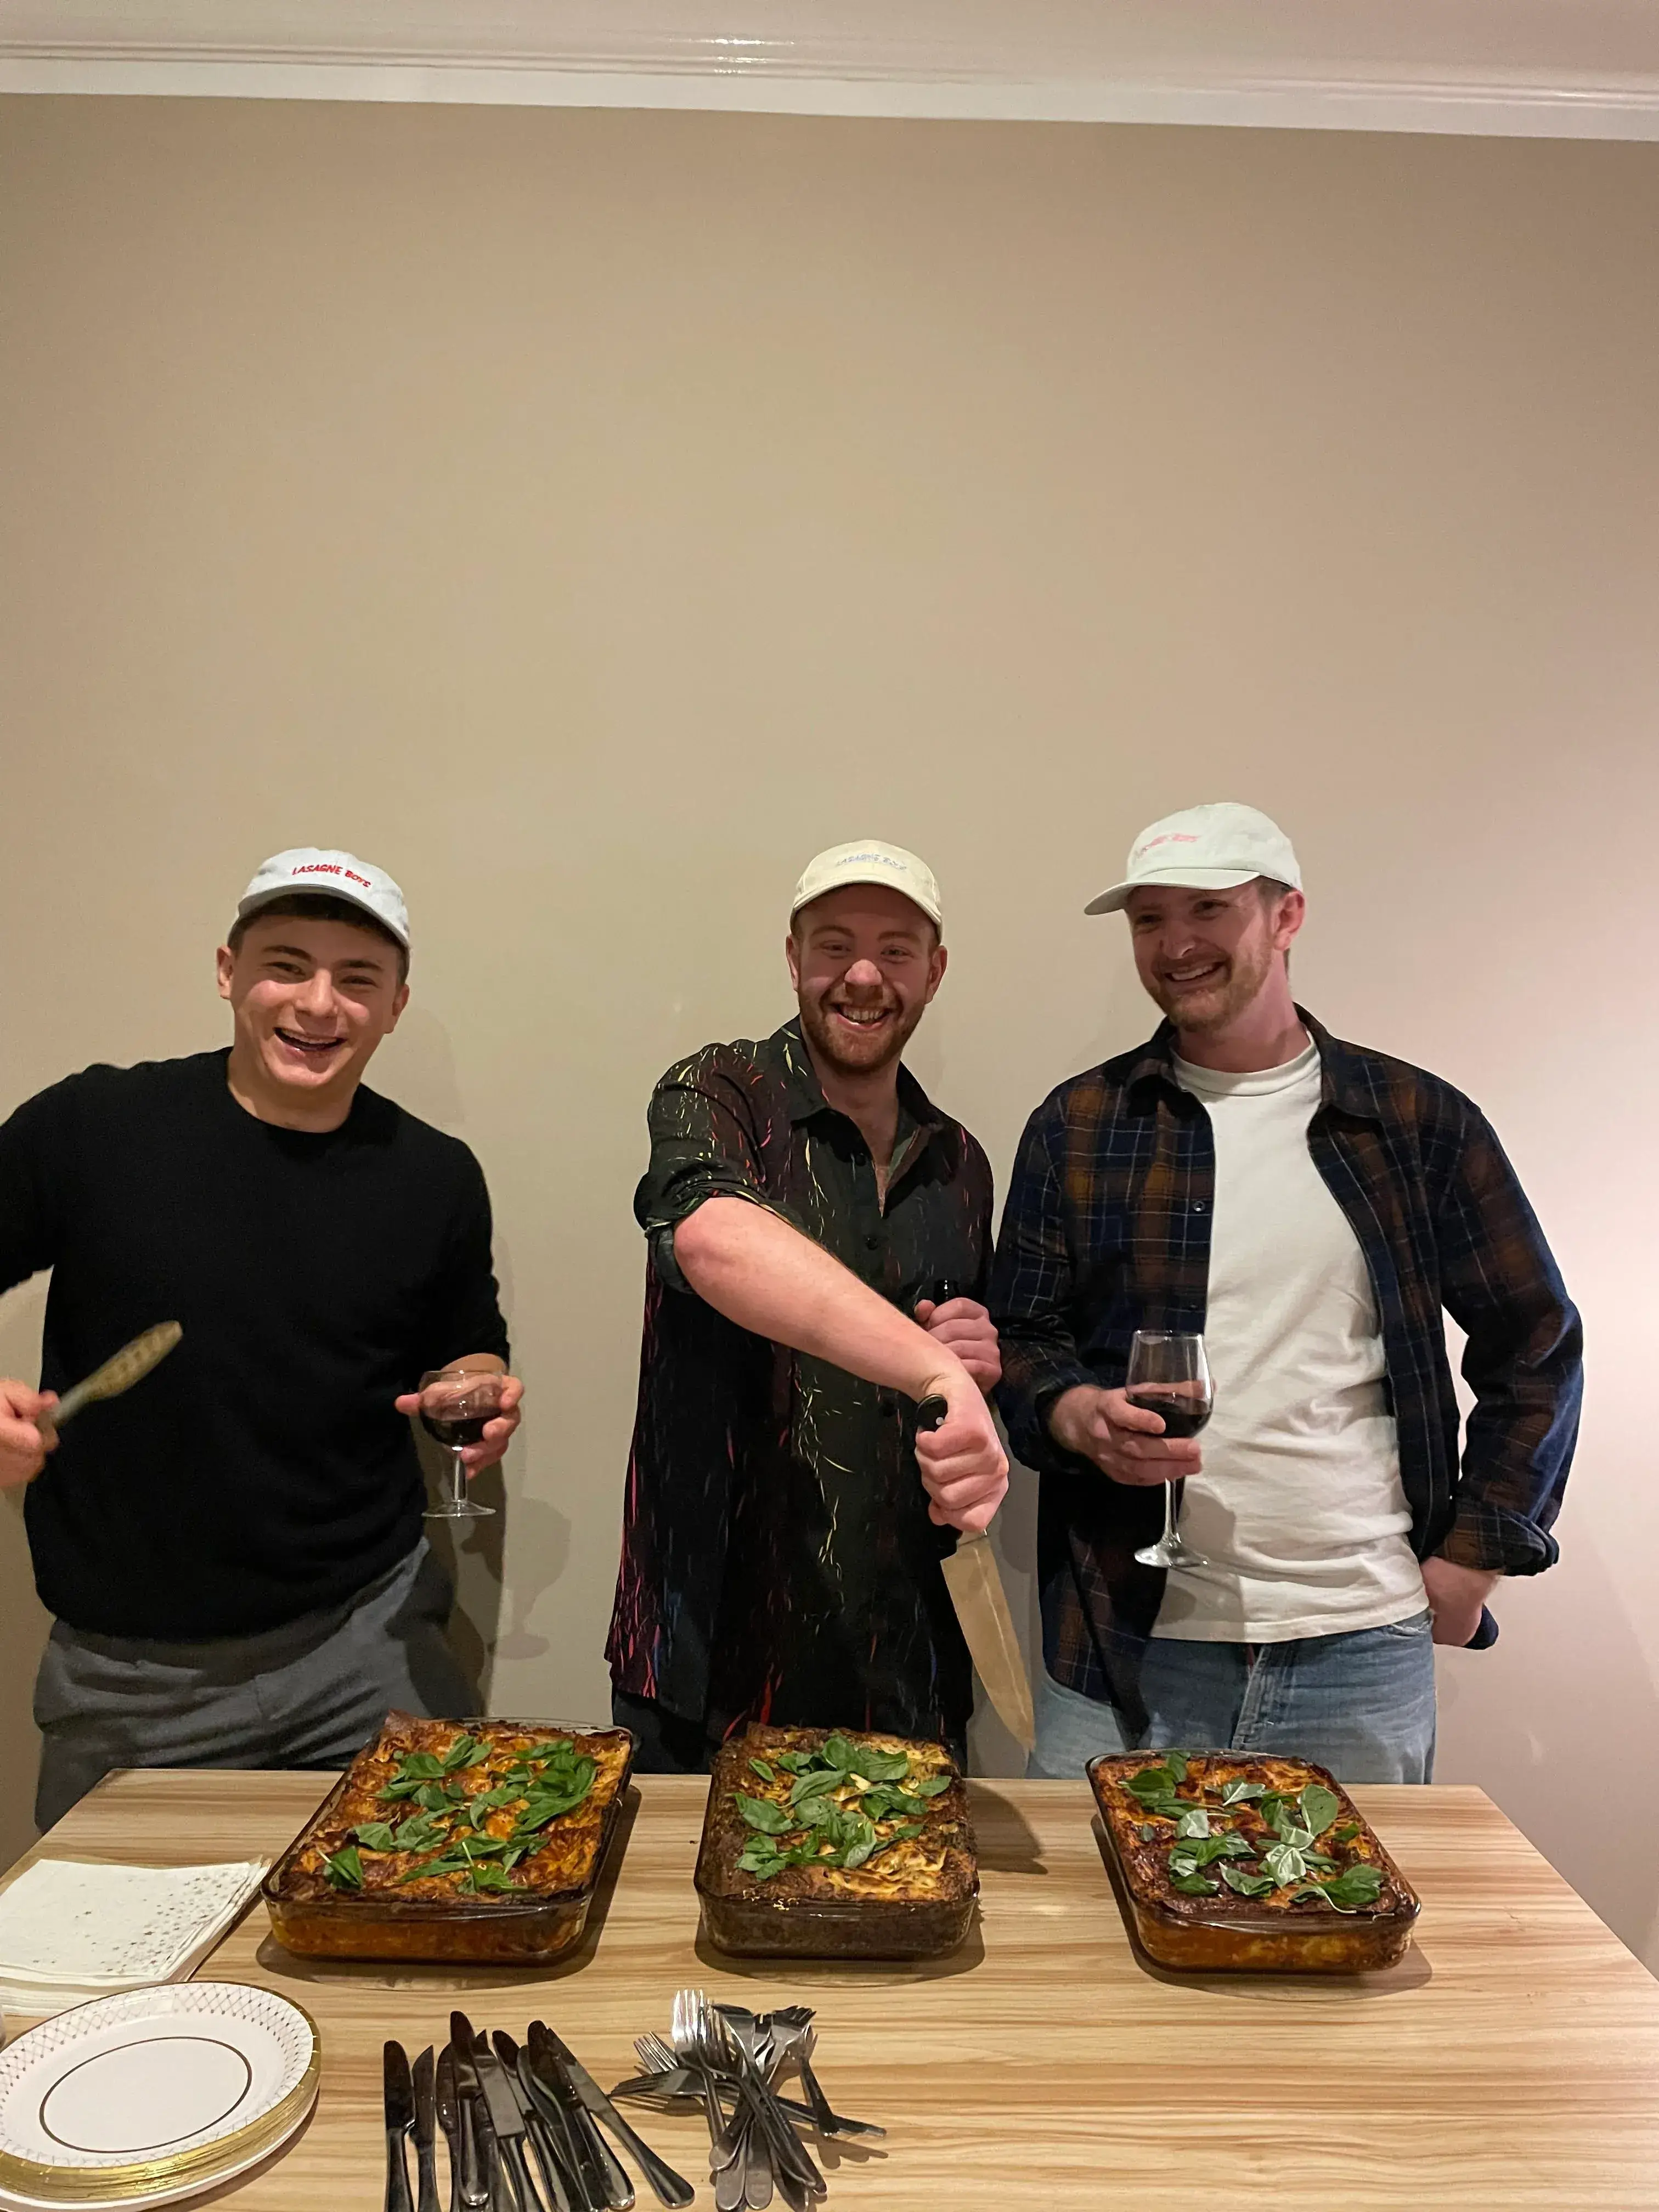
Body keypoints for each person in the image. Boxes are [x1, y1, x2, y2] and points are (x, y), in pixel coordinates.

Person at [991, 802, 1581, 1784]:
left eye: (1209, 910)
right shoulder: (1079, 1123)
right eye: (1149, 919)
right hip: (1122, 1650)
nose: (1176, 945)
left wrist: (1477, 1557)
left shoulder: (1416, 1122)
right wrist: (1074, 1413)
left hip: (1359, 1644)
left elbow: (1536, 1344)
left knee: (1344, 1932)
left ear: (1286, 915)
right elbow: (1020, 1336)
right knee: (1096, 1935)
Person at [0, 848, 523, 1829]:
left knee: (441, 1931)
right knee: (108, 1977)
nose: (319, 1004)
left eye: (357, 978)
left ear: (396, 1006)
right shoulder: (92, 1127)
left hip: (370, 1647)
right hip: (129, 1680)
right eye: (288, 964)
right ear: (228, 971)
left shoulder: (436, 1176)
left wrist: (478, 1389)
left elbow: (468, 1343)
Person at [607, 840, 1009, 1771]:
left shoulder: (960, 1162)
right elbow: (712, 1237)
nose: (863, 976)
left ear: (934, 972)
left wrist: (975, 1364)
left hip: (905, 1665)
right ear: (793, 958)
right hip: (710, 1660)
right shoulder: (719, 1090)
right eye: (834, 946)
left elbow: (958, 1390)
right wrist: (934, 1364)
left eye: (897, 952)